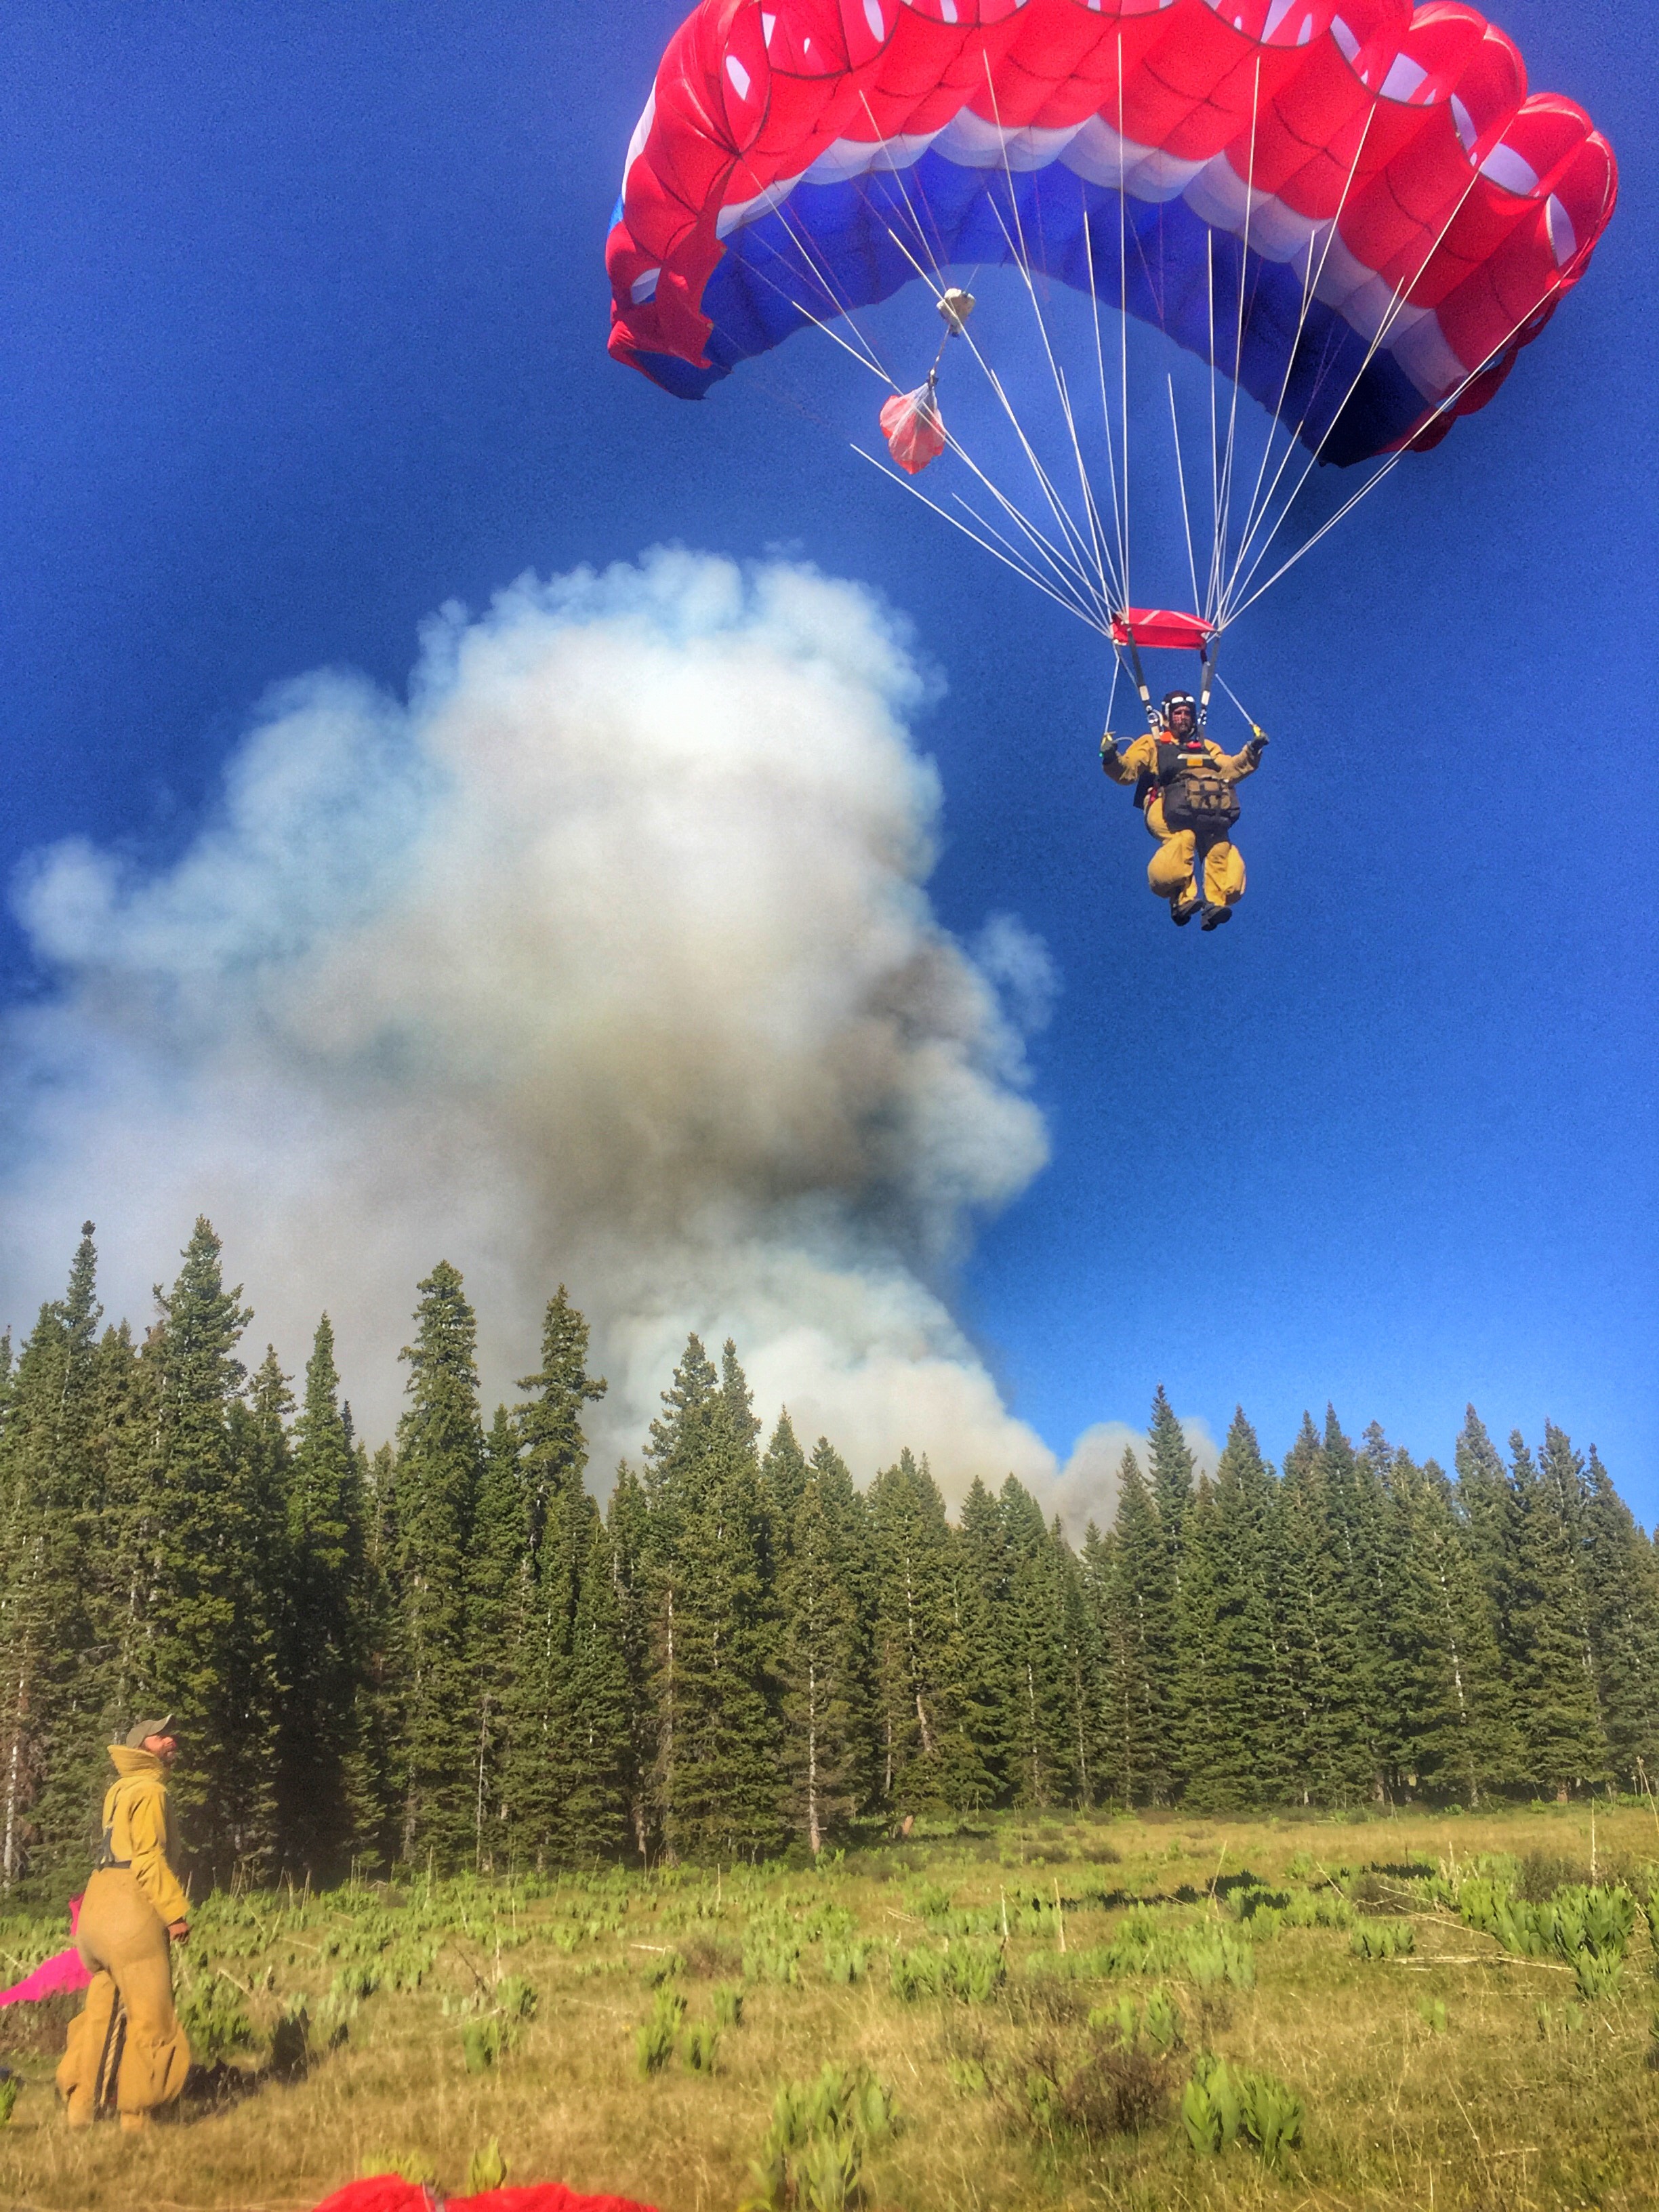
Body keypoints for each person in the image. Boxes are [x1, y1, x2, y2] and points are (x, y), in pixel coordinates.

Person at [56, 1718, 192, 2131]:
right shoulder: (151, 1790)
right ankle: (138, 2118)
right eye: (162, 1735)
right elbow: (147, 1857)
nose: (172, 1739)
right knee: (153, 2018)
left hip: (98, 1906)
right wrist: (175, 1913)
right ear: (141, 1746)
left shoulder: (118, 1789)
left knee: (100, 2014)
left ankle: (80, 2108)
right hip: (131, 1913)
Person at [1102, 689, 1268, 928]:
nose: (1183, 717)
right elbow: (1128, 770)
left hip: (1208, 804)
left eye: (1187, 713)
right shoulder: (1153, 743)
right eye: (1178, 713)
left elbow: (1229, 769)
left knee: (1219, 845)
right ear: (1168, 716)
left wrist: (1252, 750)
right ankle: (1182, 899)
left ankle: (1216, 903)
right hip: (1167, 803)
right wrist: (1110, 757)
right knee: (1184, 839)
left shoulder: (1207, 747)